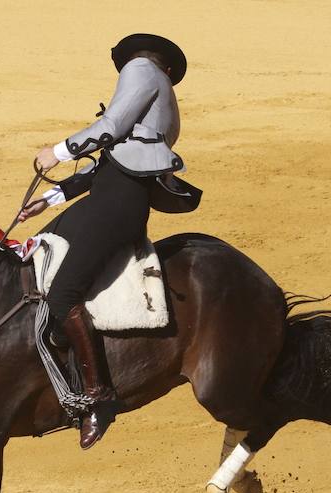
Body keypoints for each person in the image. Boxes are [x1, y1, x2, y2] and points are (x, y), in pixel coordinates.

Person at [18, 33, 200, 450]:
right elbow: (111, 163)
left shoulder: (142, 70)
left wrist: (59, 151)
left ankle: (99, 398)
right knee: (43, 242)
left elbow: (110, 128)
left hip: (116, 205)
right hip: (113, 198)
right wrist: (49, 199)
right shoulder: (162, 97)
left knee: (63, 293)